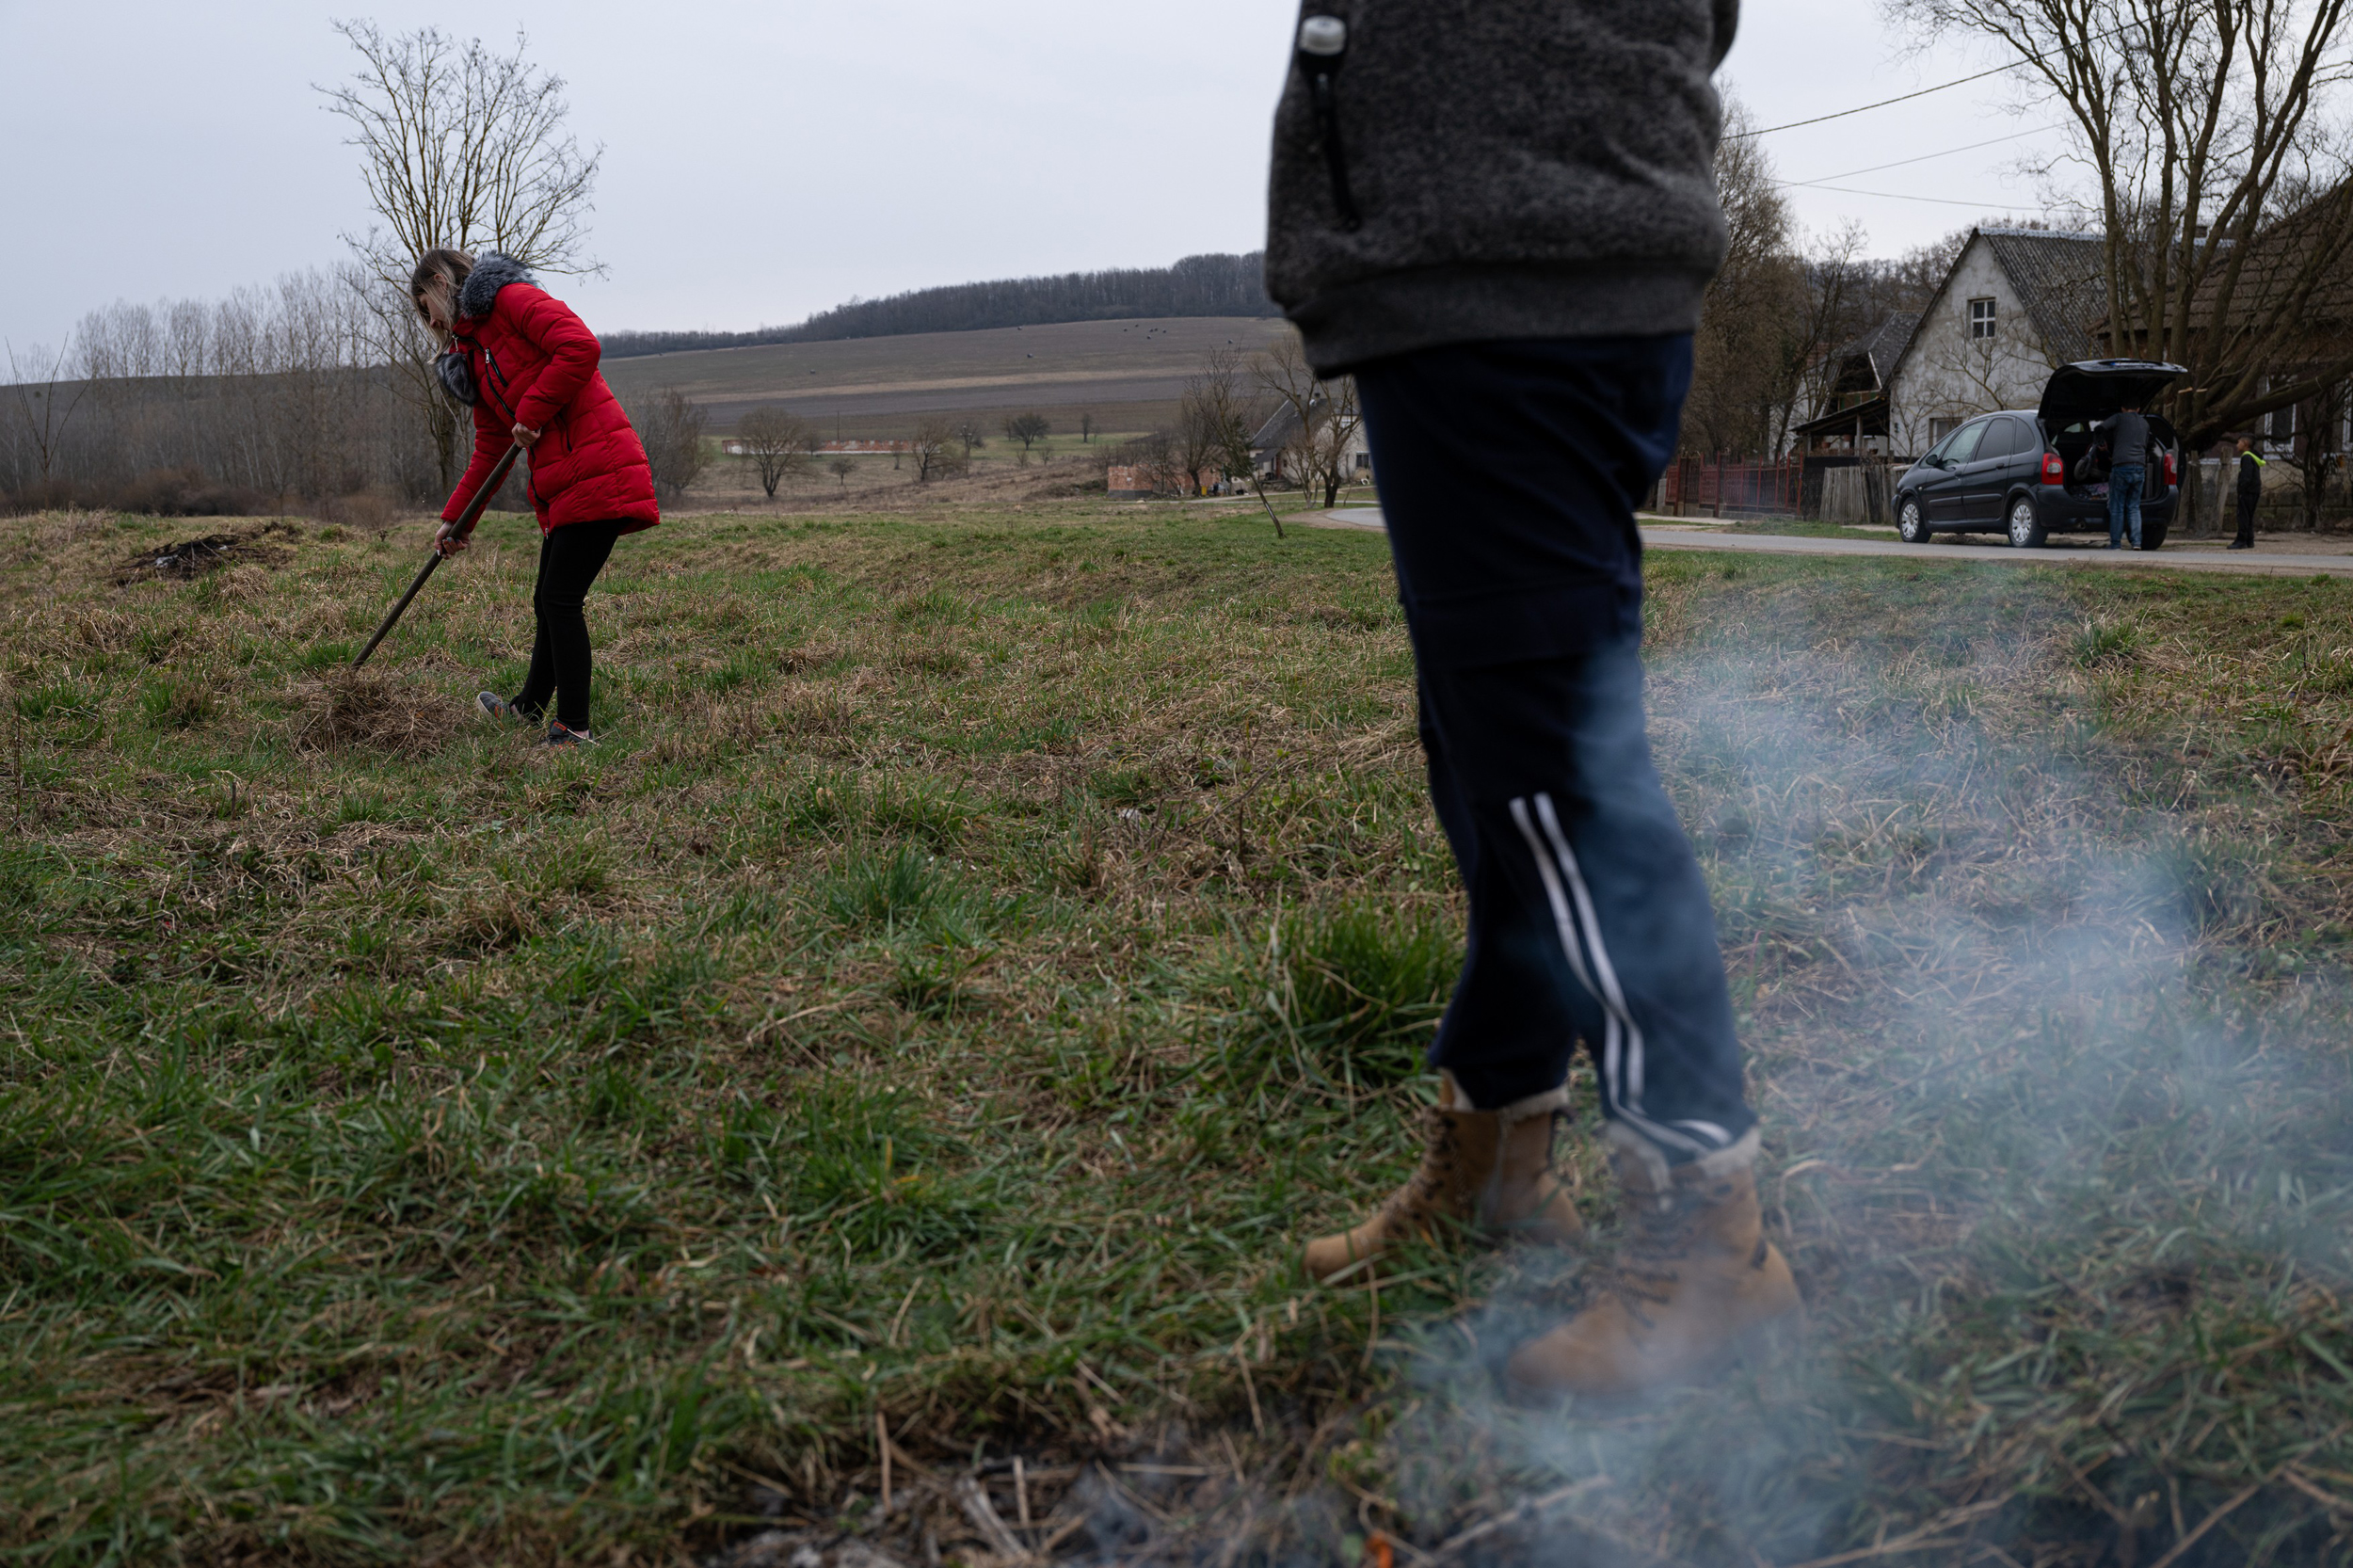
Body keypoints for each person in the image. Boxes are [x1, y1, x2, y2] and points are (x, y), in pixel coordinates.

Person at [1265, 0, 1800, 1402]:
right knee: (1491, 752)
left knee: (1555, 774)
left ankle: (1712, 1240)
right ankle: (1500, 1145)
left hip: (1513, 253)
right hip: (1507, 243)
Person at [411, 248, 659, 747]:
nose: (430, 321)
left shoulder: (511, 300)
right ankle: (527, 710)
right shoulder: (472, 354)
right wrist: (457, 521)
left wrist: (532, 409)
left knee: (559, 599)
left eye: (425, 307)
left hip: (599, 466)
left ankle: (574, 728)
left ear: (440, 282)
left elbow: (580, 347)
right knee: (547, 599)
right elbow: (491, 447)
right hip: (562, 481)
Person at [2095, 400, 2150, 550]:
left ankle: (2115, 543)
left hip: (2121, 467)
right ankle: (2137, 542)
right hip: (2139, 467)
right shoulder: (2145, 423)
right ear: (2138, 408)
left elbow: (2100, 428)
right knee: (2134, 507)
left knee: (2117, 506)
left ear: (2123, 408)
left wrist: (2101, 444)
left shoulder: (2118, 418)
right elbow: (2147, 444)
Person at [2231, 435, 2265, 551]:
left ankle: (2241, 540)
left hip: (2247, 491)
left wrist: (2241, 488)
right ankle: (2249, 540)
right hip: (2254, 490)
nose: (2237, 445)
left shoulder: (2246, 457)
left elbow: (2246, 476)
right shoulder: (2254, 457)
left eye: (2239, 442)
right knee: (2249, 516)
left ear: (2245, 443)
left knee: (2243, 516)